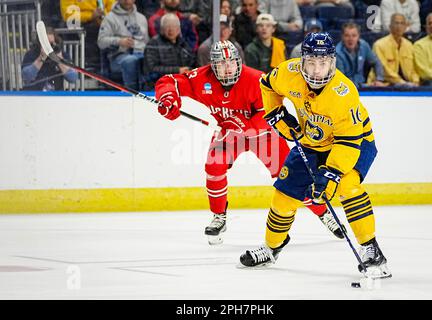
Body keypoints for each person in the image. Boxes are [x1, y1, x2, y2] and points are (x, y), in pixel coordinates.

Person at [154, 40, 343, 245]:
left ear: (239, 62)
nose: (227, 69)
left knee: (291, 179)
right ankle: (219, 217)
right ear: (212, 66)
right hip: (229, 134)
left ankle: (324, 214)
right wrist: (168, 99)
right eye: (221, 65)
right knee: (214, 166)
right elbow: (169, 81)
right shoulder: (202, 78)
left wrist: (241, 124)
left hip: (264, 136)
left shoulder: (256, 80)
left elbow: (267, 115)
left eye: (232, 63)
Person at [239, 32, 392, 280]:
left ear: (332, 62)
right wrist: (276, 113)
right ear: (302, 62)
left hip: (356, 142)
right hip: (313, 140)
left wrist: (330, 173)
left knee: (346, 185)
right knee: (283, 196)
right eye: (311, 62)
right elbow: (267, 85)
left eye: (323, 63)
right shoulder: (288, 73)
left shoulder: (343, 93)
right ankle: (271, 248)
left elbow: (348, 142)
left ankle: (371, 250)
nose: (317, 69)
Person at [97, 0, 149, 90]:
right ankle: (132, 94)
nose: (126, 0)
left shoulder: (142, 18)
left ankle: (151, 92)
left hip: (141, 54)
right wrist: (119, 41)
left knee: (153, 61)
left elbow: (147, 42)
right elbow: (101, 41)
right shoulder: (110, 18)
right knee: (131, 61)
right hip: (118, 57)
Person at [144, 13, 196, 86]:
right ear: (161, 28)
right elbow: (151, 69)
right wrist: (177, 70)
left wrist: (188, 70)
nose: (171, 30)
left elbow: (192, 61)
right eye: (167, 27)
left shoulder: (183, 43)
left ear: (179, 29)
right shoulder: (153, 44)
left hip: (181, 81)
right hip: (160, 83)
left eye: (174, 26)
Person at [60, 0, 115, 68]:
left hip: (103, 23)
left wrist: (102, 16)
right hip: (80, 26)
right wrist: (91, 16)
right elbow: (68, 14)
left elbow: (113, 9)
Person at [371, 13, 419, 88]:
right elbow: (384, 70)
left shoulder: (409, 45)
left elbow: (413, 70)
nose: (399, 26)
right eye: (396, 23)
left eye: (402, 23)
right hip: (385, 84)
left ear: (406, 27)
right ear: (390, 26)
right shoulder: (379, 45)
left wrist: (416, 81)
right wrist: (402, 82)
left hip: (407, 84)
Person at [336, 22, 385, 88]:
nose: (351, 39)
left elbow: (376, 62)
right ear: (342, 37)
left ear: (358, 36)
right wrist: (364, 85)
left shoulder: (364, 45)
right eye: (347, 35)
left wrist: (379, 79)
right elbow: (341, 80)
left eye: (354, 35)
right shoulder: (337, 52)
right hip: (345, 88)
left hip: (363, 86)